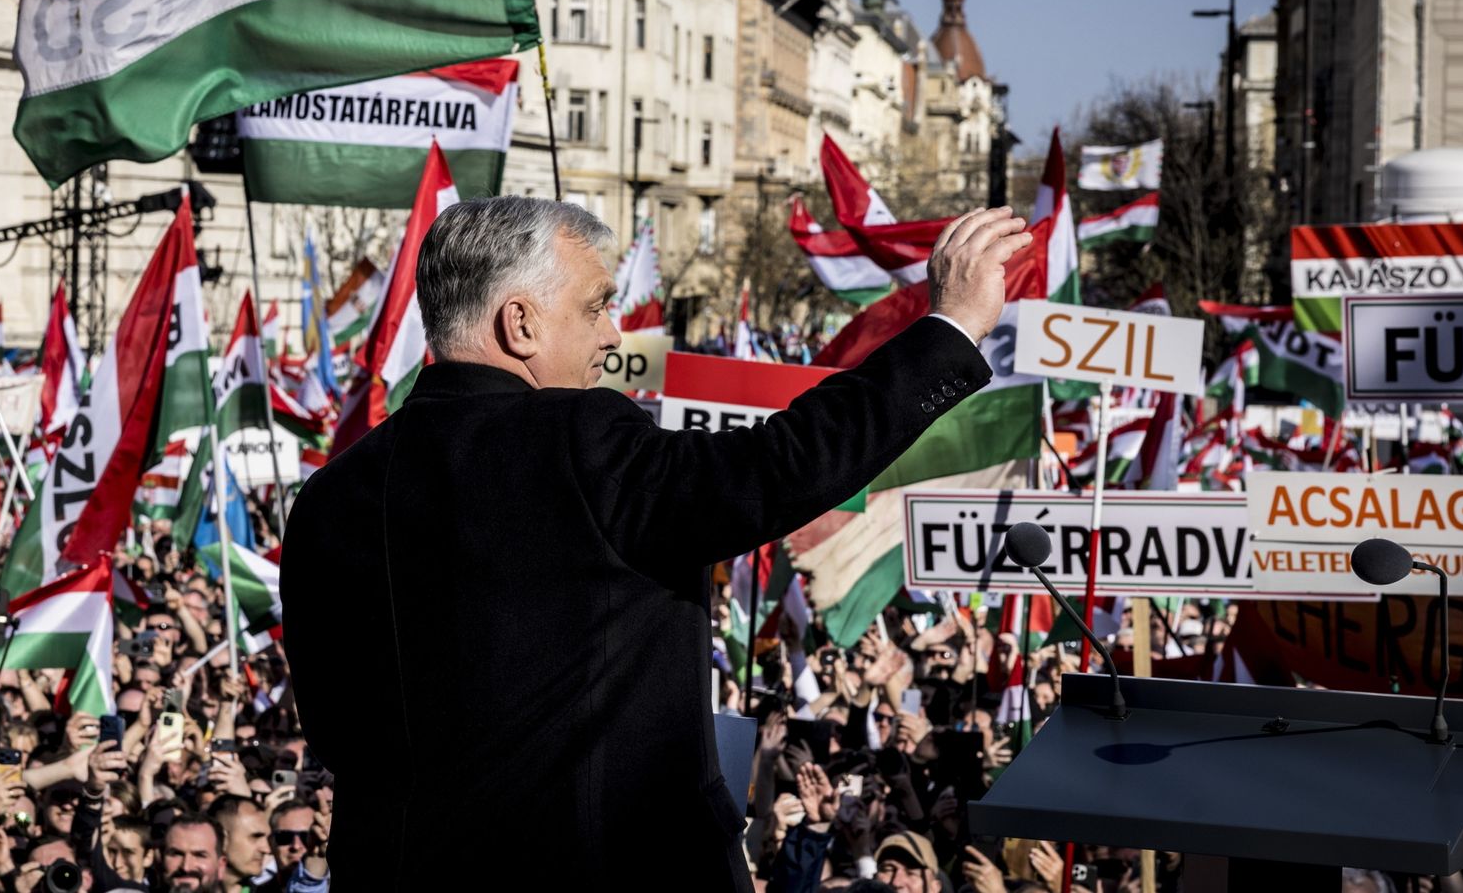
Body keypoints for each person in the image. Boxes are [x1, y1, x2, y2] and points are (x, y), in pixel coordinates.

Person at [283, 197, 1027, 887]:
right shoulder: (580, 439)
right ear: (521, 324)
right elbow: (776, 468)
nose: (613, 334)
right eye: (596, 307)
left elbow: (332, 726)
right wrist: (948, 331)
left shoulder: (328, 496)